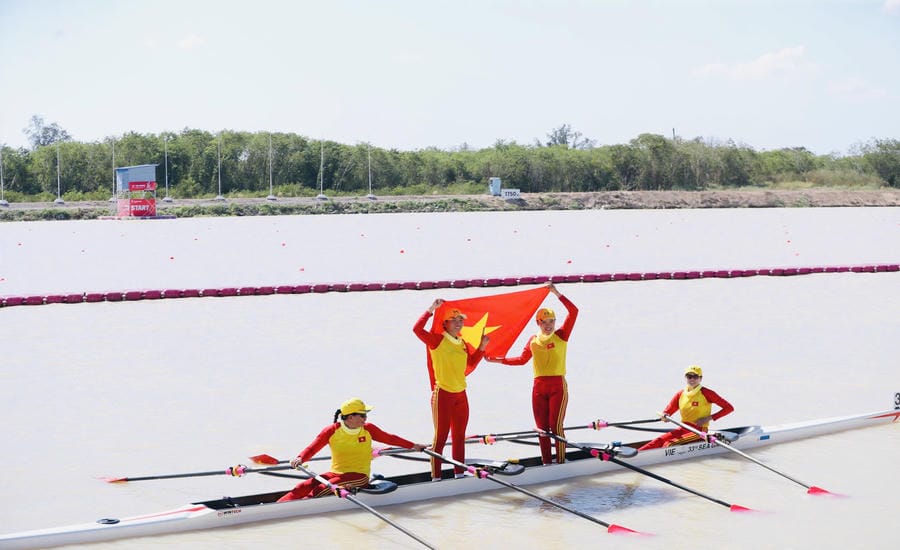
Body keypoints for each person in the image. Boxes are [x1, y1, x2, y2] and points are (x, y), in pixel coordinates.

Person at [485, 283, 578, 464]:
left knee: (555, 426)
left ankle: (560, 461)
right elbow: (521, 360)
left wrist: (556, 293)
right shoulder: (533, 340)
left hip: (557, 385)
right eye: (544, 322)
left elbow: (574, 312)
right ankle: (546, 462)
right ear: (538, 323)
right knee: (542, 429)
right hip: (538, 387)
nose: (548, 325)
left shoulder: (561, 335)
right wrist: (499, 360)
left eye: (551, 321)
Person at [277, 398, 427, 501]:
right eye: (362, 415)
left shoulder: (368, 429)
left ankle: (299, 507)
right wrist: (300, 458)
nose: (365, 418)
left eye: (366, 414)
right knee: (304, 485)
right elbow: (312, 449)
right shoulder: (331, 431)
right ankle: (279, 506)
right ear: (349, 417)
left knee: (323, 487)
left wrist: (414, 446)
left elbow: (391, 438)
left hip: (359, 476)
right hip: (336, 473)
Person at [413, 299, 489, 481]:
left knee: (459, 437)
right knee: (440, 438)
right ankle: (436, 478)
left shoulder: (462, 343)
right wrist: (431, 309)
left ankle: (459, 474)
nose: (458, 323)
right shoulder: (437, 340)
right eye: (453, 320)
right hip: (443, 395)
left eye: (460, 320)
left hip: (461, 395)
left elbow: (471, 363)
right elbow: (417, 330)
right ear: (445, 323)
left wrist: (482, 347)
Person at [638, 365, 734, 451]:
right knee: (658, 441)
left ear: (700, 378)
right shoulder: (680, 394)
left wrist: (708, 418)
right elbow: (668, 411)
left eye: (695, 376)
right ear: (686, 378)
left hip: (699, 430)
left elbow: (729, 408)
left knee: (668, 444)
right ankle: (636, 454)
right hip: (683, 427)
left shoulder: (707, 393)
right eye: (689, 376)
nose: (692, 379)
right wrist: (665, 416)